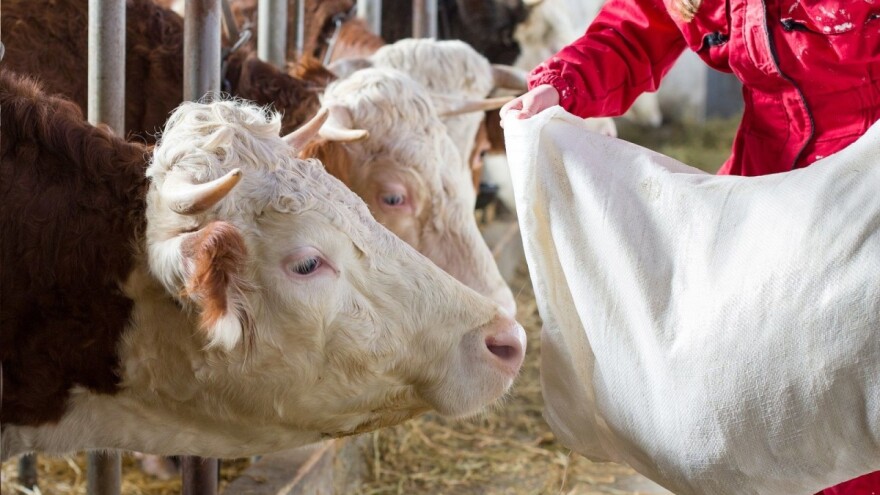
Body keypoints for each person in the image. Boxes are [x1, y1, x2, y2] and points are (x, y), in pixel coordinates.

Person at [499, 0, 880, 493]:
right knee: (753, 389)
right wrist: (564, 83)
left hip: (866, 193)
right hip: (768, 191)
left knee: (855, 396)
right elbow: (636, 30)